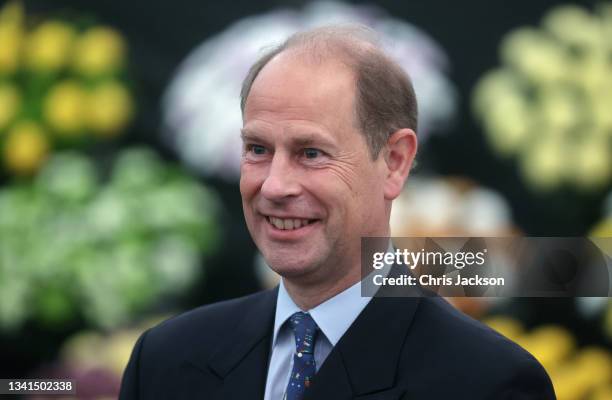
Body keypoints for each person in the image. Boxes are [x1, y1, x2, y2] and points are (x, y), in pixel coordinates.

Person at [119, 25, 556, 399]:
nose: (274, 186)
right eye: (257, 149)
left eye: (310, 153)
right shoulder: (165, 362)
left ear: (395, 162)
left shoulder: (488, 383)